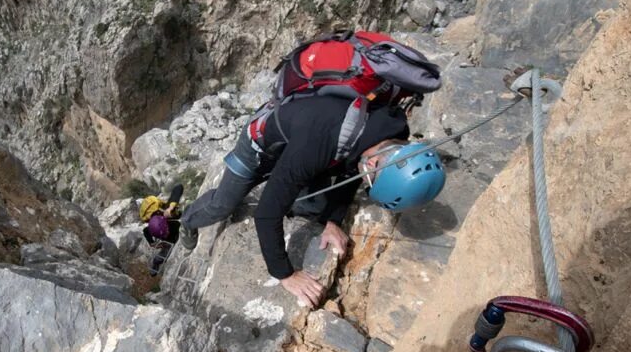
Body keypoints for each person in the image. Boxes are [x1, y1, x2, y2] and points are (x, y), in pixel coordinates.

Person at [179, 34, 446, 308]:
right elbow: (267, 213)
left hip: (304, 139)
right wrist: (285, 274)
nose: (364, 181)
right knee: (223, 205)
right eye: (371, 179)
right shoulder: (319, 143)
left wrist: (333, 221)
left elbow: (350, 170)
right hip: (260, 147)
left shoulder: (394, 130)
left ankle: (309, 203)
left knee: (313, 208)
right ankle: (187, 221)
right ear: (377, 162)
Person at [140, 183, 184, 276]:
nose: (166, 233)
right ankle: (156, 263)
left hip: (175, 222)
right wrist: (152, 243)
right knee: (165, 251)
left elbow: (178, 187)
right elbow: (146, 231)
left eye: (166, 232)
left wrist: (170, 208)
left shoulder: (168, 211)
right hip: (170, 238)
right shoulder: (153, 226)